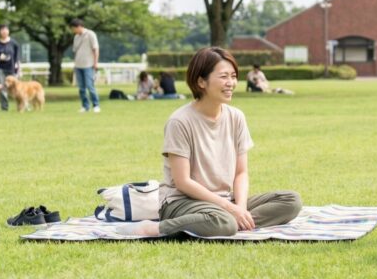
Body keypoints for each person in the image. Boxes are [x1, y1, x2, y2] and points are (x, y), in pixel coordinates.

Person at [118, 47, 302, 237]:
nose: (231, 83)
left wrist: (239, 208)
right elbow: (182, 182)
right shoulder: (180, 121)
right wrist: (229, 209)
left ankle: (233, 222)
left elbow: (241, 172)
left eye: (233, 76)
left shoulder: (236, 117)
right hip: (182, 202)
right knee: (224, 221)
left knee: (291, 201)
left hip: (224, 201)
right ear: (201, 82)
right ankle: (154, 228)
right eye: (224, 76)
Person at [69, 18, 101, 113]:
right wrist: (75, 63)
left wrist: (95, 63)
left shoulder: (90, 34)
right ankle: (85, 106)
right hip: (78, 65)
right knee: (81, 88)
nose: (73, 31)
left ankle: (96, 105)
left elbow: (96, 49)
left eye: (74, 28)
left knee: (90, 86)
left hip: (88, 64)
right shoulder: (76, 37)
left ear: (79, 26)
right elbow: (75, 51)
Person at [0, 24, 21, 111]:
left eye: (6, 29)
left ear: (8, 31)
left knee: (17, 87)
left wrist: (19, 69)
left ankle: (22, 104)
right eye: (2, 30)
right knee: (2, 87)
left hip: (12, 68)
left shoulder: (14, 43)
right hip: (0, 68)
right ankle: (4, 107)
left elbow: (17, 57)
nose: (4, 31)